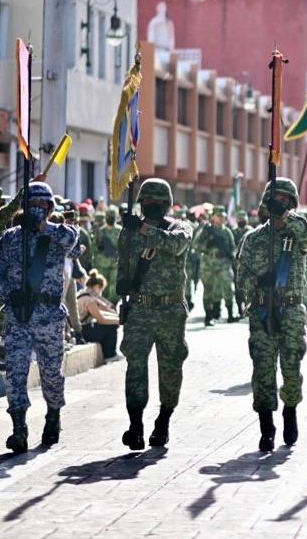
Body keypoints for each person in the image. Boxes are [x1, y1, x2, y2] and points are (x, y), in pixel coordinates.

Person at [0, 181, 79, 453]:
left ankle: (53, 415)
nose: (37, 210)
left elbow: (72, 242)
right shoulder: (10, 238)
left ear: (51, 208)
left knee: (51, 373)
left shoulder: (59, 234)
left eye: (43, 206)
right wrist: (9, 293)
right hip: (19, 316)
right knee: (15, 371)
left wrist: (44, 227)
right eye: (32, 206)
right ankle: (18, 427)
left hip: (49, 317)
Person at [236, 179, 307, 451]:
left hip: (291, 309)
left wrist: (284, 218)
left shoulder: (298, 233)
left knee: (291, 366)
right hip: (261, 310)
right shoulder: (253, 239)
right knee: (262, 369)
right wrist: (258, 282)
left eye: (285, 200)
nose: (279, 203)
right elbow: (241, 278)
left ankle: (290, 410)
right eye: (275, 199)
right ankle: (266, 425)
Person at [117, 178, 193, 450]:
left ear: (166, 204)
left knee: (170, 368)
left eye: (156, 203)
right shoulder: (129, 232)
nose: (151, 206)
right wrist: (122, 292)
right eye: (146, 202)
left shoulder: (180, 227)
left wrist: (141, 227)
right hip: (140, 309)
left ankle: (163, 420)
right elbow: (124, 266)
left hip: (170, 310)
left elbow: (176, 245)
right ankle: (135, 425)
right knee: (135, 366)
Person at [193, 207, 237, 326]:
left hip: (224, 264)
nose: (221, 218)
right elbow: (196, 245)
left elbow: (233, 248)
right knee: (208, 290)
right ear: (213, 217)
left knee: (228, 287)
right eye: (219, 216)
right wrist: (207, 245)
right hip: (208, 263)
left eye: (223, 216)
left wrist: (230, 254)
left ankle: (230, 314)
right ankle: (208, 316)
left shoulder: (227, 231)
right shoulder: (206, 230)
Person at [76, 269, 120, 359]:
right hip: (83, 330)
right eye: (101, 289)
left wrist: (116, 317)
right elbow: (101, 319)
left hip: (83, 329)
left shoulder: (84, 294)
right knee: (110, 327)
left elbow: (100, 312)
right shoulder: (89, 300)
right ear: (96, 286)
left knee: (110, 323)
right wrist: (118, 321)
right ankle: (110, 355)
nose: (100, 293)